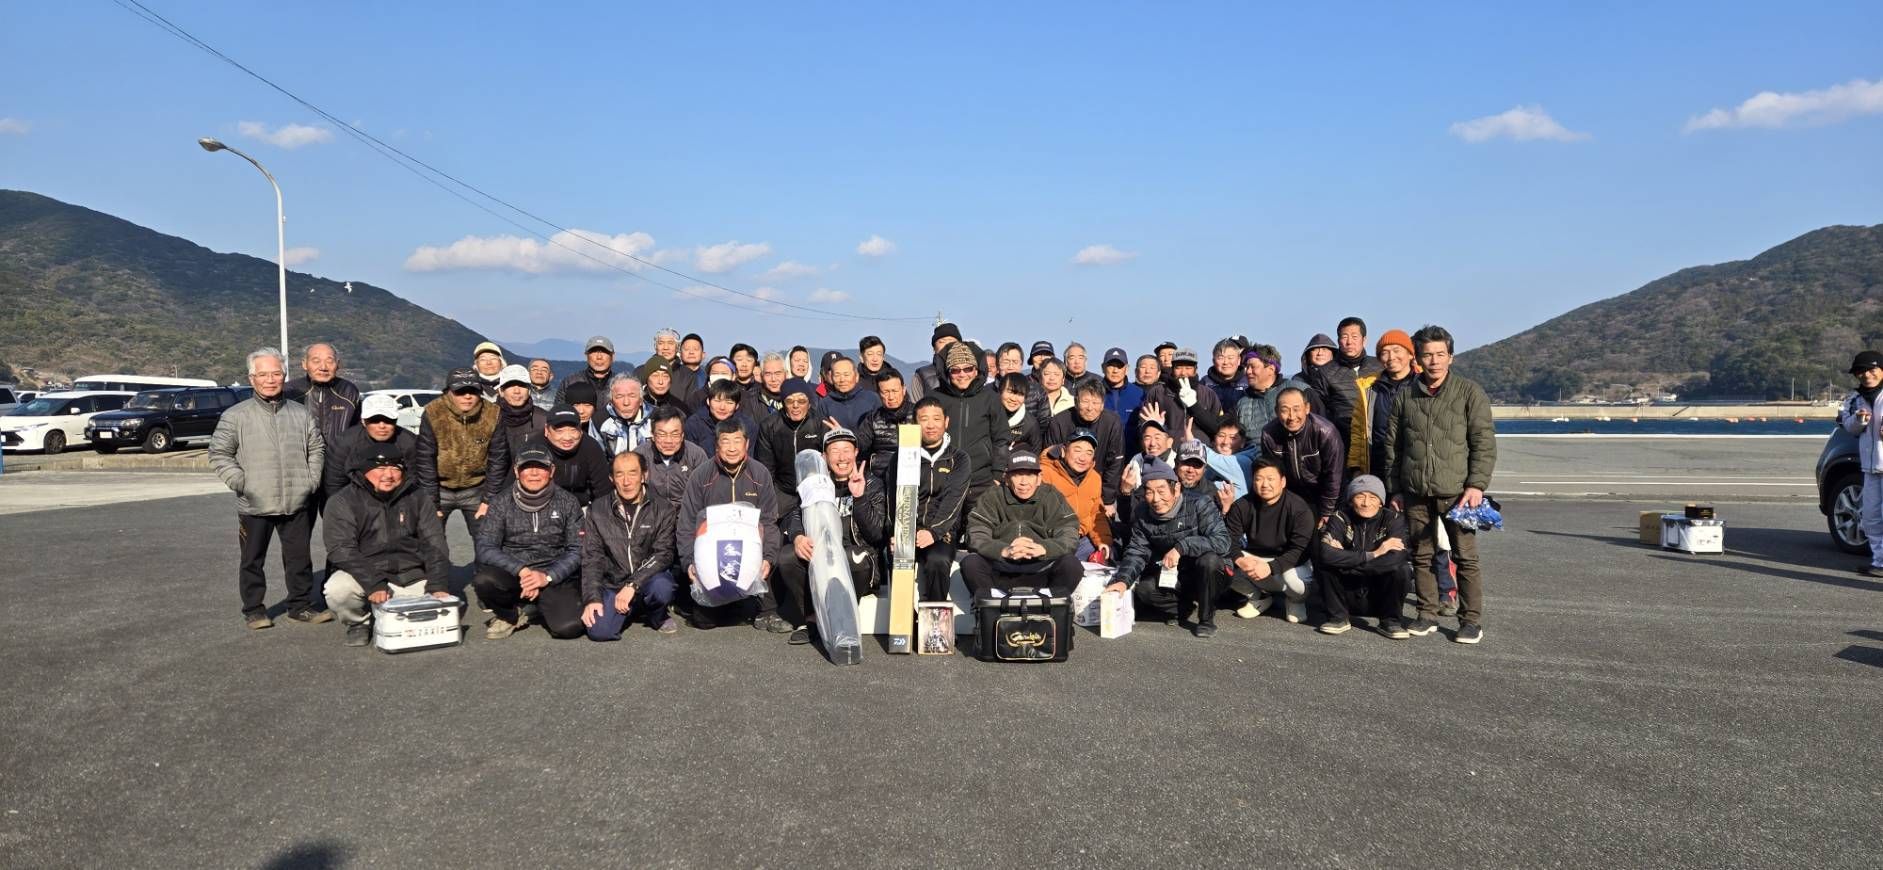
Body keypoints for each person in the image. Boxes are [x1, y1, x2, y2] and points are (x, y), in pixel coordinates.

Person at [1383, 324, 1496, 644]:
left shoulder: (1469, 392)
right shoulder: (1405, 396)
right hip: (1415, 490)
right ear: (1417, 359)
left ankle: (1470, 620)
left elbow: (1483, 442)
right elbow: (1393, 447)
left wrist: (1476, 485)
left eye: (1440, 354)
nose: (1434, 361)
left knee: (1465, 557)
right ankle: (1426, 614)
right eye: (1427, 355)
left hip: (1458, 491)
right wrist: (1395, 488)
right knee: (1421, 555)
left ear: (1451, 357)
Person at [208, 348, 328, 629]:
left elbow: (316, 448)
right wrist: (243, 483)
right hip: (254, 503)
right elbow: (219, 454)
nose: (270, 380)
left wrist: (310, 481)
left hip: (296, 500)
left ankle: (300, 606)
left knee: (299, 559)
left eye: (276, 374)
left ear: (284, 376)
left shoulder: (301, 413)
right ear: (252, 379)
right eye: (263, 374)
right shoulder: (235, 416)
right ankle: (254, 610)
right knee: (252, 560)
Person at [321, 440, 453, 647]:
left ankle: (394, 608)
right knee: (337, 590)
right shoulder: (342, 501)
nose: (388, 475)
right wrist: (373, 583)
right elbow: (341, 549)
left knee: (429, 618)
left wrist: (438, 585)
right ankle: (358, 623)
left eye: (395, 468)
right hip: (367, 573)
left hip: (411, 574)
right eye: (380, 468)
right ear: (365, 470)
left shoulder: (418, 496)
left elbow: (435, 543)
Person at [774, 427, 888, 645]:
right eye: (835, 451)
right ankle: (811, 620)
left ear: (856, 452)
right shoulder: (816, 483)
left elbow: (875, 534)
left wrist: (860, 498)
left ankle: (844, 620)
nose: (842, 458)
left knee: (854, 558)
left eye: (847, 450)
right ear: (824, 457)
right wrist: (798, 537)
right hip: (821, 555)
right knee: (788, 557)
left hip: (855, 557)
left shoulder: (872, 483)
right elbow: (796, 514)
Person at [676, 419, 790, 633]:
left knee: (776, 544)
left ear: (747, 444)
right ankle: (730, 605)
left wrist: (768, 558)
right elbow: (687, 524)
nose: (731, 448)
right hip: (714, 557)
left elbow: (769, 521)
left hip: (751, 553)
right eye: (725, 441)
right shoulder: (701, 475)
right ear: (716, 445)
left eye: (737, 441)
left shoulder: (759, 473)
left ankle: (767, 611)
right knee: (704, 622)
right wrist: (689, 562)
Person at [1106, 459, 1232, 638]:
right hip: (1175, 575)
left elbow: (1222, 541)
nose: (1156, 499)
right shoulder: (1142, 512)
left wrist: (1182, 547)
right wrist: (1122, 581)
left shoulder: (1200, 503)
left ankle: (1206, 618)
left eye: (1161, 491)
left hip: (1210, 573)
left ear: (1177, 488)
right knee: (1144, 590)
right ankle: (1184, 608)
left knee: (1209, 561)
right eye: (1149, 491)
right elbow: (1137, 551)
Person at [473, 447, 584, 639]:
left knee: (569, 628)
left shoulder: (568, 502)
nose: (533, 473)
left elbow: (578, 549)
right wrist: (522, 571)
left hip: (553, 576)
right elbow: (485, 547)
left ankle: (535, 607)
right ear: (516, 471)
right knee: (484, 581)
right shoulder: (500, 502)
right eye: (527, 467)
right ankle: (511, 615)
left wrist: (547, 576)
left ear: (551, 471)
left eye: (540, 467)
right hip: (515, 574)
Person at [579, 451, 681, 640]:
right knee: (599, 631)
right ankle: (631, 610)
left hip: (649, 580)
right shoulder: (597, 510)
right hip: (614, 583)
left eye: (633, 473)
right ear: (612, 479)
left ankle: (656, 614)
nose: (626, 481)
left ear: (644, 475)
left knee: (662, 588)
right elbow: (592, 557)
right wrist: (592, 598)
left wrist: (633, 584)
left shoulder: (663, 508)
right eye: (619, 474)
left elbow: (663, 554)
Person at [959, 449, 1084, 598]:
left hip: (1041, 568)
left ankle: (1052, 606)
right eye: (1017, 475)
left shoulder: (1051, 496)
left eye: (1030, 475)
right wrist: (1003, 550)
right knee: (971, 563)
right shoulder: (992, 496)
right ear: (1007, 478)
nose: (1024, 482)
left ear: (1039, 478)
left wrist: (1045, 549)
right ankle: (990, 607)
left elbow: (1069, 532)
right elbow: (976, 534)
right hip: (1001, 568)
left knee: (1071, 565)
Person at [1313, 475, 1411, 638]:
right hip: (1346, 596)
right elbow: (1326, 554)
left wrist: (1345, 561)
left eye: (1373, 497)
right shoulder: (1339, 517)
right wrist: (1375, 554)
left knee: (1402, 570)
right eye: (1360, 496)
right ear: (1351, 500)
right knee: (1325, 564)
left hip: (1379, 596)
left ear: (1381, 502)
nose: (1366, 503)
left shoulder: (1393, 520)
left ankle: (1390, 621)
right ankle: (1338, 618)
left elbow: (1395, 560)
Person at [1223, 458, 1317, 624]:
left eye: (1270, 479)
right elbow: (1228, 539)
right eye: (1259, 479)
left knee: (1292, 579)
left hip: (1292, 563)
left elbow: (1299, 551)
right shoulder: (1242, 505)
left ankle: (1295, 600)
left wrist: (1271, 567)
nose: (1265, 484)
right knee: (1220, 564)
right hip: (1256, 558)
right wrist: (1240, 559)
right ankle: (1258, 597)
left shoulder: (1299, 508)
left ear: (1283, 481)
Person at [414, 368, 498, 555]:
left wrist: (488, 500)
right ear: (449, 391)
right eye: (460, 391)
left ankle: (485, 574)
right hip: (440, 488)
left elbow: (498, 459)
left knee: (487, 543)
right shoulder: (433, 412)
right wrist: (432, 502)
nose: (467, 396)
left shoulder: (493, 414)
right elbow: (425, 458)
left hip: (476, 488)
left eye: (473, 391)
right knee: (431, 543)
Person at [903, 397, 973, 600]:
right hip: (907, 530)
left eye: (936, 418)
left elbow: (954, 499)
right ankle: (905, 618)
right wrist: (897, 531)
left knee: (938, 561)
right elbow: (895, 496)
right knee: (898, 562)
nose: (931, 425)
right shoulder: (903, 456)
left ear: (946, 422)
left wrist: (934, 531)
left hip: (943, 531)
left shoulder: (959, 458)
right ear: (915, 423)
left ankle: (935, 614)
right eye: (924, 419)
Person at [929, 340, 1010, 509]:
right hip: (942, 480)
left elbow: (1001, 439)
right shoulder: (934, 398)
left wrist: (996, 476)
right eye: (955, 370)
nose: (962, 374)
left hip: (981, 481)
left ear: (976, 370)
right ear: (947, 372)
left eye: (968, 369)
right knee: (943, 525)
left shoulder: (990, 398)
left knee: (979, 525)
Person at [1259, 388, 1347, 521]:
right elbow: (1272, 474)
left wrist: (1327, 512)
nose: (1291, 417)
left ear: (1307, 408)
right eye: (1284, 410)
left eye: (1296, 409)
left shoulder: (1325, 432)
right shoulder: (1269, 434)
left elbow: (1334, 475)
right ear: (1276, 411)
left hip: (1323, 493)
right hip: (1292, 495)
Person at [1045, 380, 1127, 516]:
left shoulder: (1112, 422)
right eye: (1085, 401)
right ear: (1076, 402)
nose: (1090, 407)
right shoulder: (1059, 422)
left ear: (1102, 405)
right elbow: (1050, 462)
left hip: (1098, 487)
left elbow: (1115, 463)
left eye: (1095, 402)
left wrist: (1107, 500)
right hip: (1063, 488)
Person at [322, 393, 416, 500]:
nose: (382, 426)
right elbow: (334, 485)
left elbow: (415, 482)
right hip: (354, 502)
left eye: (389, 420)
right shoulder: (344, 443)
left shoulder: (409, 443)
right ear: (363, 421)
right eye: (374, 420)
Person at [1038, 429, 1112, 562]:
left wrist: (1102, 541)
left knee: (1108, 552)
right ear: (1063, 450)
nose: (1083, 458)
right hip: (1050, 540)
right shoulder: (1044, 473)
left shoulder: (1094, 478)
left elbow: (1096, 514)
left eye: (1089, 453)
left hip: (1080, 540)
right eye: (1077, 450)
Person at [1840, 351, 1883, 577]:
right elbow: (1848, 426)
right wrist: (1859, 421)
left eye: (1872, 369)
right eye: (1861, 371)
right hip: (1870, 467)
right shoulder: (1854, 398)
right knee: (1871, 517)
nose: (1867, 375)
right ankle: (1879, 563)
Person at [482, 364, 550, 503]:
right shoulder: (486, 418)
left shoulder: (543, 419)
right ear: (501, 391)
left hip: (530, 492)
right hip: (489, 492)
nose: (517, 391)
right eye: (510, 386)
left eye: (522, 386)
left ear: (529, 390)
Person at [1235, 344, 1320, 450]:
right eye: (1246, 367)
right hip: (1255, 457)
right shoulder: (1241, 403)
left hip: (1298, 454)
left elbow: (1321, 427)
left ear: (1271, 369)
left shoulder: (1301, 390)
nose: (1248, 371)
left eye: (1253, 367)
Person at [1358, 329, 1417, 478]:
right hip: (1379, 465)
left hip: (1415, 465)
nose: (1391, 357)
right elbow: (1358, 432)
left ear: (1410, 354)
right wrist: (1357, 467)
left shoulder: (1423, 384)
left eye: (1397, 351)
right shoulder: (1368, 388)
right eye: (1385, 353)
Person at [753, 378, 824, 499]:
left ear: (809, 403)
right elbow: (766, 467)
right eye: (790, 401)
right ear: (783, 403)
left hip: (815, 490)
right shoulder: (769, 426)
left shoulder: (820, 423)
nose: (795, 405)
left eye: (801, 401)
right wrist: (770, 494)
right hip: (783, 490)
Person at [1329, 317, 1384, 468]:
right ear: (1338, 340)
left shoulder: (1380, 366)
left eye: (1354, 337)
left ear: (1364, 340)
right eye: (1344, 337)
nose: (1349, 342)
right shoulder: (1324, 372)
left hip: (1376, 441)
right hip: (1343, 443)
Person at [283, 342, 360, 447]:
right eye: (316, 361)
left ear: (338, 364)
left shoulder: (348, 391)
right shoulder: (290, 391)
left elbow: (359, 430)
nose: (323, 367)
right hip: (299, 455)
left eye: (329, 361)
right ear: (304, 364)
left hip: (340, 455)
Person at [635, 406, 709, 511]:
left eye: (675, 434)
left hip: (686, 514)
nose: (668, 441)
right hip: (651, 513)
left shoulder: (696, 455)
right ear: (652, 435)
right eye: (662, 434)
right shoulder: (639, 455)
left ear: (682, 435)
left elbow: (706, 492)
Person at [540, 405, 613, 507]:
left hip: (581, 506)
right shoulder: (535, 447)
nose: (567, 437)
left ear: (581, 430)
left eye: (573, 430)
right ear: (547, 430)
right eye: (560, 431)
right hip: (543, 505)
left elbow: (603, 490)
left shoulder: (591, 447)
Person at [855, 366, 913, 482]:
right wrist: (846, 439)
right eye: (885, 392)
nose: (891, 397)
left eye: (895, 391)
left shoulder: (919, 414)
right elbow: (860, 447)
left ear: (904, 390)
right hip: (880, 477)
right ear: (878, 393)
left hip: (914, 476)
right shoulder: (872, 419)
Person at [816, 357, 883, 432]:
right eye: (837, 375)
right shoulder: (825, 404)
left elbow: (882, 431)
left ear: (857, 376)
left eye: (846, 375)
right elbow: (821, 433)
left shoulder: (872, 399)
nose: (842, 380)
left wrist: (845, 434)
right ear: (832, 378)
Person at [684, 379, 757, 448]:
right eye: (717, 401)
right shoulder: (694, 424)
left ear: (737, 406)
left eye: (729, 402)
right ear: (708, 401)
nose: (722, 407)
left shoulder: (747, 425)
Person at [595, 375, 652, 458]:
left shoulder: (655, 418)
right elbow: (597, 458)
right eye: (619, 396)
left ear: (641, 400)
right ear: (611, 401)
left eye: (632, 396)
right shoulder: (599, 420)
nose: (626, 403)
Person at [1203, 419, 1259, 502]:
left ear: (1242, 442)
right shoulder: (1213, 465)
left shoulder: (1244, 462)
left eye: (1232, 438)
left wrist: (1193, 444)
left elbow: (1219, 461)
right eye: (1221, 436)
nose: (1225, 442)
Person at [556, 335, 618, 405]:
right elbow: (559, 410)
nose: (599, 357)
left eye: (604, 352)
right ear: (586, 356)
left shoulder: (621, 384)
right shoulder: (570, 382)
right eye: (594, 351)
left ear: (613, 356)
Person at [911, 322, 960, 402]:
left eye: (951, 341)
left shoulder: (970, 372)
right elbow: (915, 405)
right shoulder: (921, 375)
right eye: (942, 342)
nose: (947, 345)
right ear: (934, 348)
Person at [996, 372, 1042, 455]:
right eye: (1010, 392)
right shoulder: (986, 415)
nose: (1014, 399)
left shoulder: (1030, 424)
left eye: (1020, 394)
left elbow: (1035, 454)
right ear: (1000, 391)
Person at [1203, 338, 1248, 411]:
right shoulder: (1204, 383)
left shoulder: (1249, 383)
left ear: (1239, 360)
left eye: (1230, 358)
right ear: (1213, 361)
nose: (1226, 362)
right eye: (1221, 358)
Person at [1100, 347, 1143, 422]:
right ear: (1103, 368)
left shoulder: (1139, 394)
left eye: (1119, 366)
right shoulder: (1094, 392)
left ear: (1127, 369)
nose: (1115, 371)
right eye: (1111, 366)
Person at [745, 352, 791, 416]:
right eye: (768, 374)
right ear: (761, 376)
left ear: (786, 374)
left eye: (778, 373)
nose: (773, 379)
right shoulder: (750, 403)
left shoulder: (796, 400)